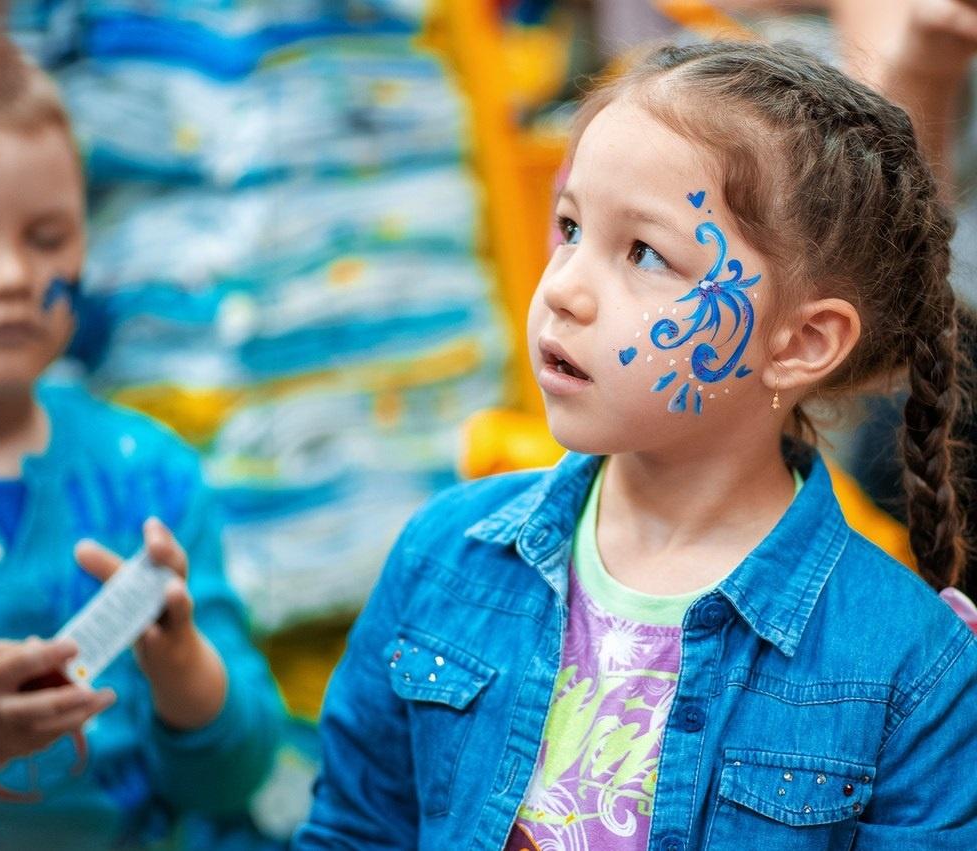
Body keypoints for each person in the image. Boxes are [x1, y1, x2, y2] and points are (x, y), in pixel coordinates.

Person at [295, 40, 977, 849]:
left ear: (800, 343)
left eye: (645, 253)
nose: (564, 288)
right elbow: (354, 828)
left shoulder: (911, 669)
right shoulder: (443, 557)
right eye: (570, 226)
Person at [0, 10, 281, 848]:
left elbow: (240, 772)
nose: (13, 276)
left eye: (49, 237)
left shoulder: (153, 474)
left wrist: (183, 668)